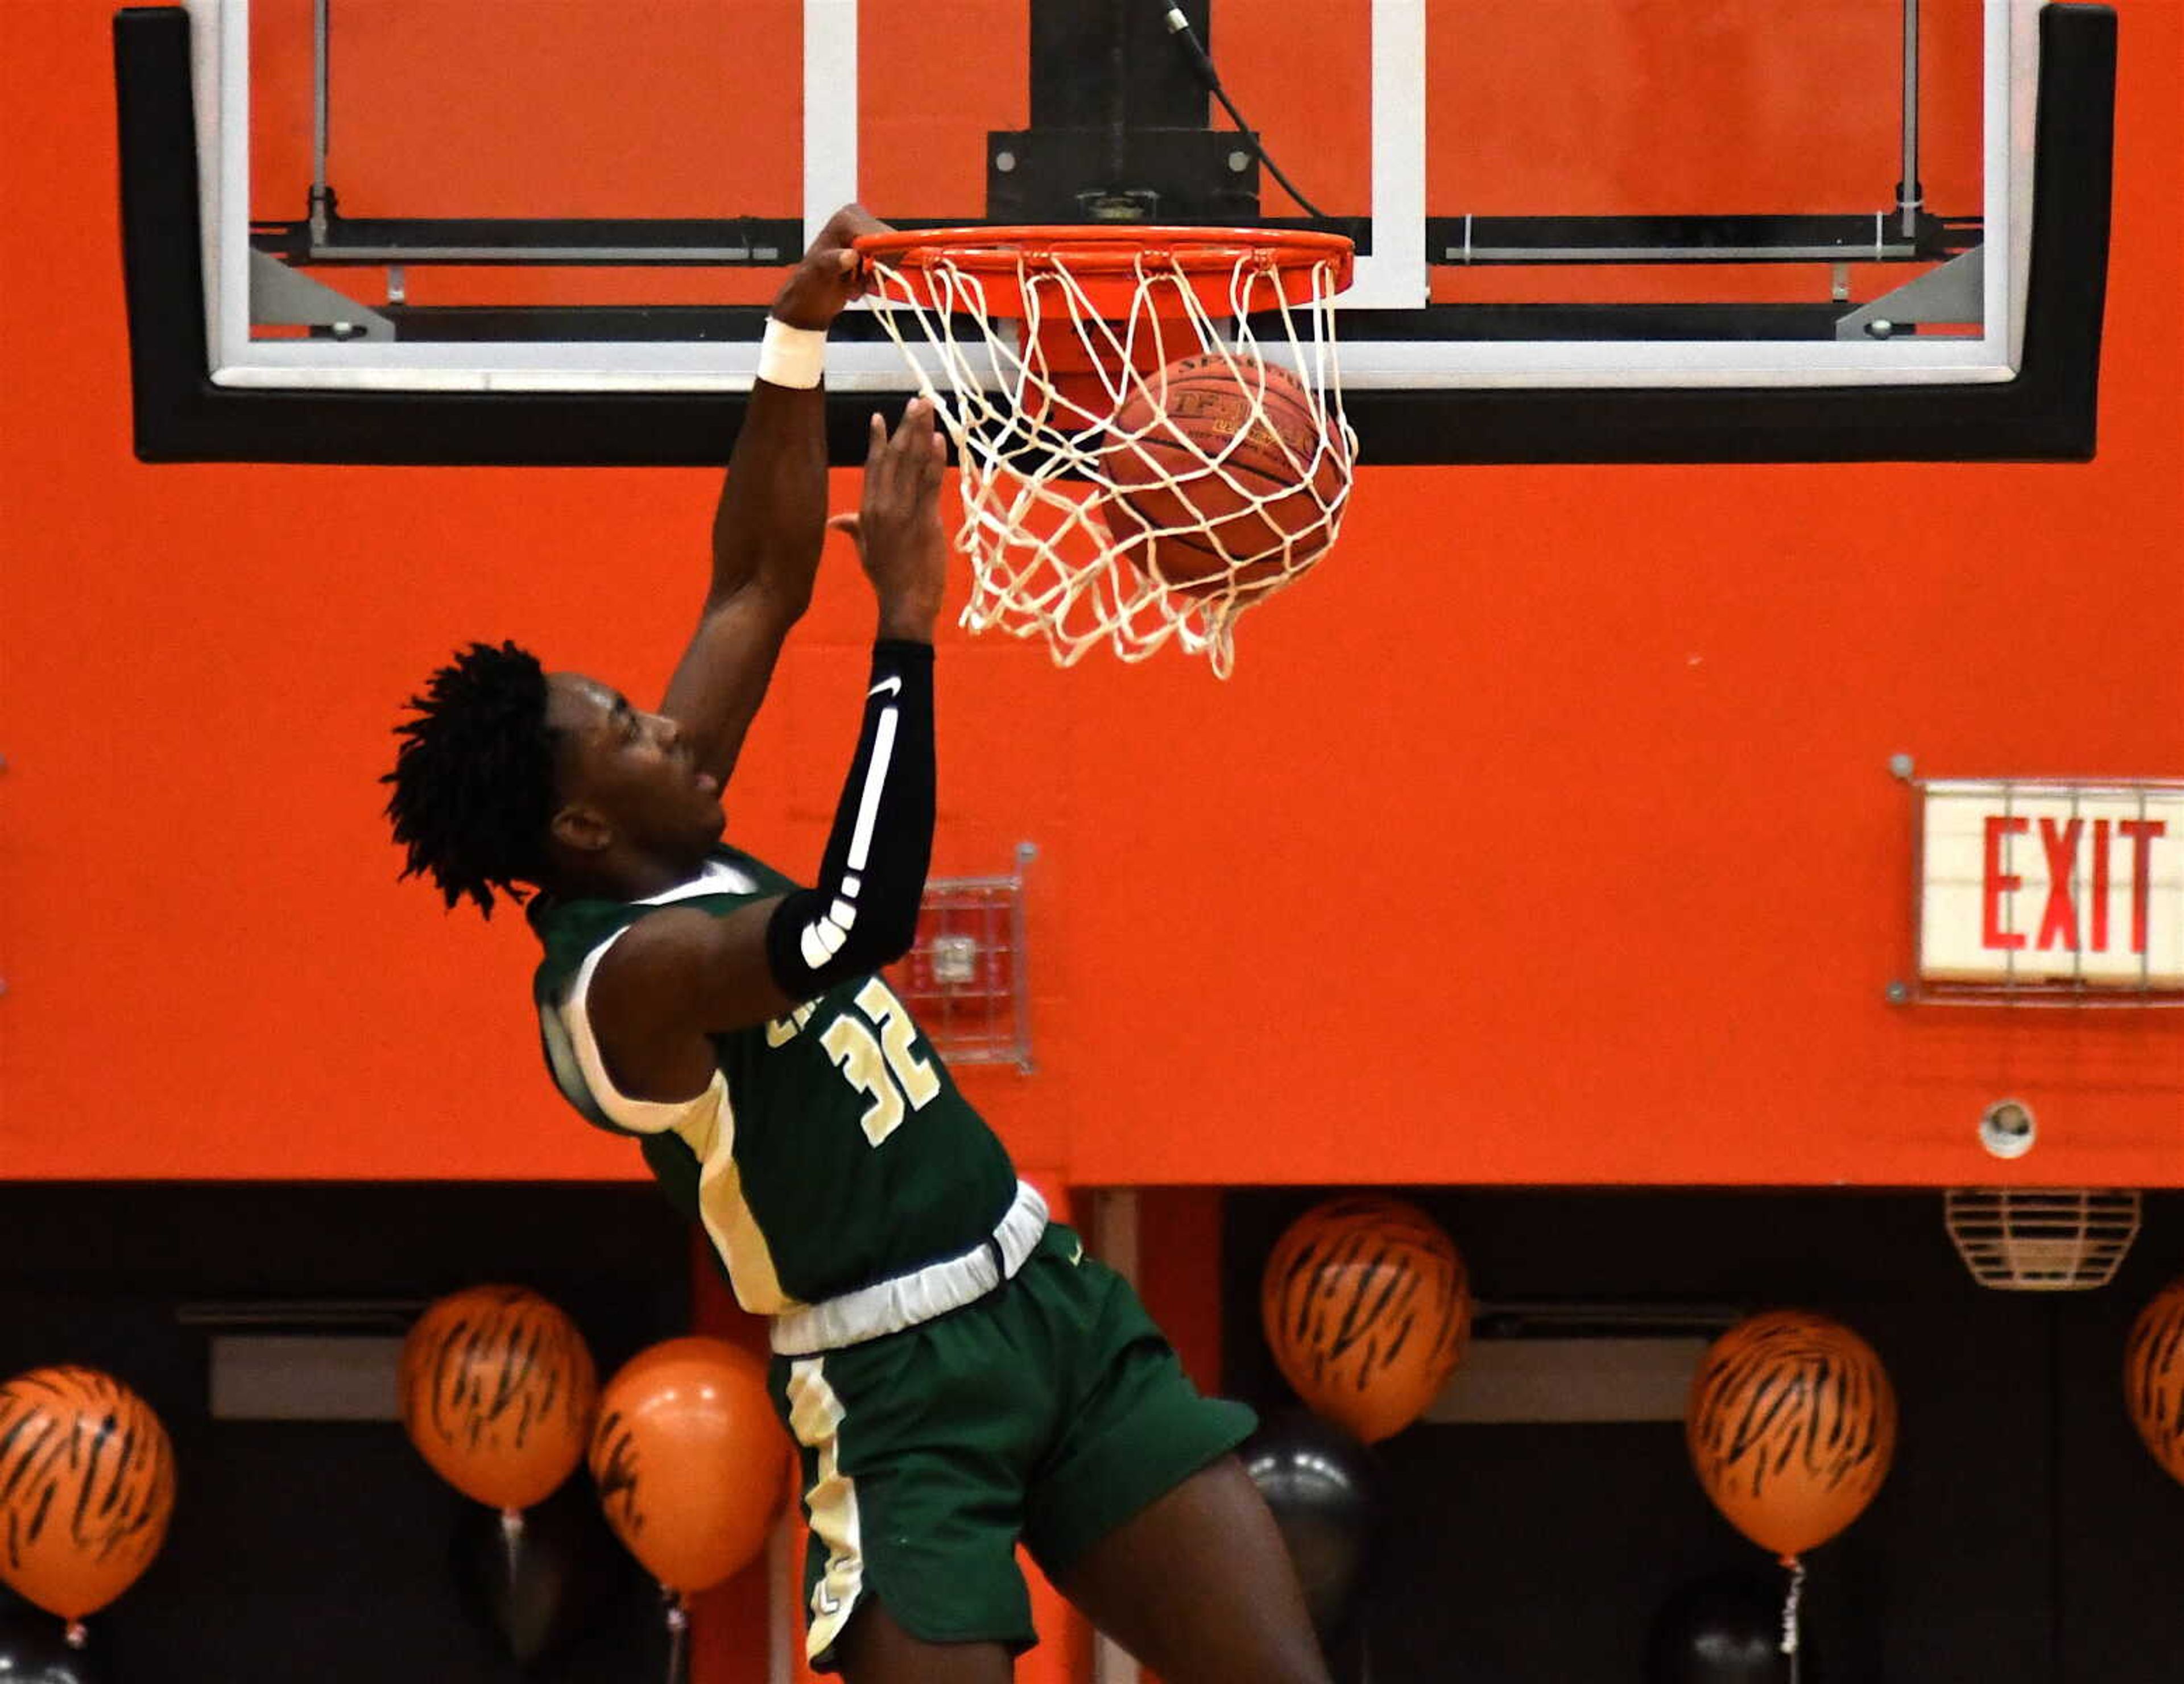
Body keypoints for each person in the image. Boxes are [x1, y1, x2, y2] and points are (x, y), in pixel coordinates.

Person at [382, 208, 1333, 1684]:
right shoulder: (619, 982)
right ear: (578, 833)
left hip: (1049, 1304)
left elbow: (757, 582)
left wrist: (798, 330)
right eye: (627, 727)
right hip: (897, 1387)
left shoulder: (664, 821)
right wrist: (907, 624)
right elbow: (848, 924)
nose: (663, 719)